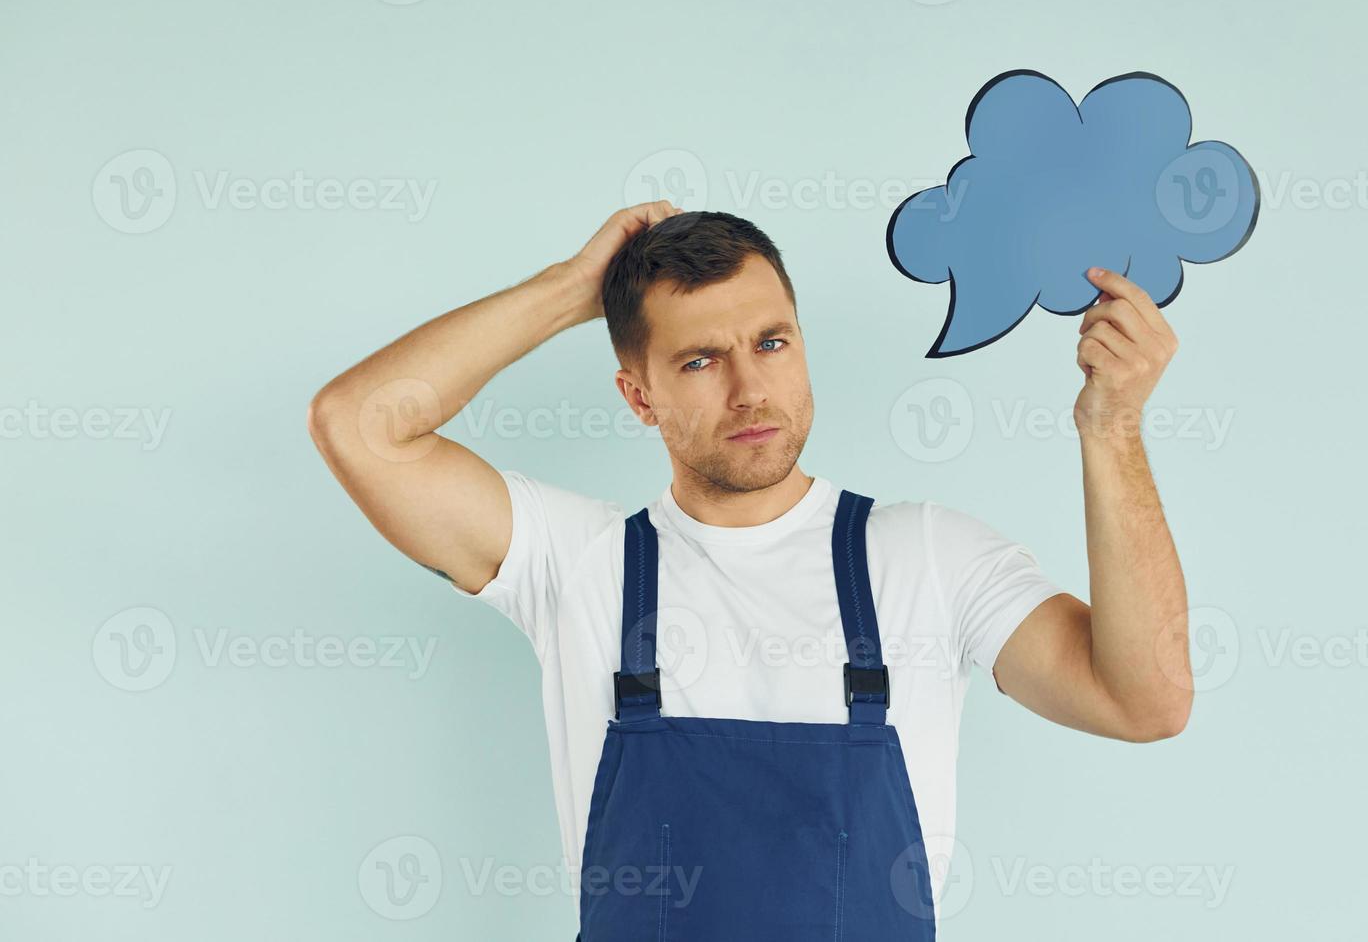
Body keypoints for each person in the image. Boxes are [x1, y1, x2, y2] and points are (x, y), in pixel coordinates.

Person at [307, 202, 1192, 939]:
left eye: (771, 343)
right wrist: (576, 289)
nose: (749, 390)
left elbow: (1144, 700)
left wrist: (1112, 427)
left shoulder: (927, 554)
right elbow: (359, 425)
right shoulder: (581, 563)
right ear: (638, 393)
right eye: (699, 360)